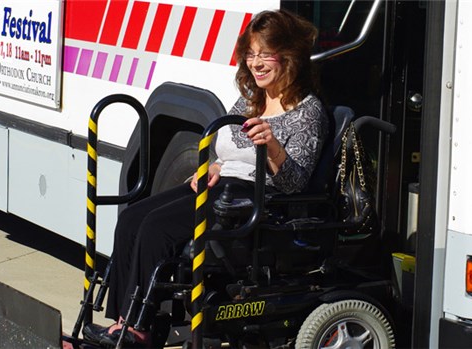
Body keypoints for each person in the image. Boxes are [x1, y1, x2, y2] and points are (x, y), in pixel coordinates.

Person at [82, 9, 328, 348]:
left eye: (264, 54)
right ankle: (124, 322)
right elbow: (226, 149)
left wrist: (271, 144)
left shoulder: (308, 111)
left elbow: (295, 184)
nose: (256, 63)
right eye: (251, 54)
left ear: (288, 56)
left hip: (255, 200)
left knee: (157, 228)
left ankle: (137, 328)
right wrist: (213, 166)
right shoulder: (250, 99)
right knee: (132, 219)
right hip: (222, 184)